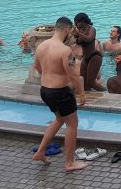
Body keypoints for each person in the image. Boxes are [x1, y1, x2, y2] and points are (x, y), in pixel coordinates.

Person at [31, 16, 88, 172]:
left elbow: (36, 66)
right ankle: (70, 163)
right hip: (60, 92)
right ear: (67, 30)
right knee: (72, 125)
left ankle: (41, 151)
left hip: (45, 91)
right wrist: (82, 93)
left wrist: (49, 75)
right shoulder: (65, 50)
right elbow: (73, 75)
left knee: (58, 119)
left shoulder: (42, 46)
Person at [73, 13, 104, 92]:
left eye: (77, 23)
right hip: (85, 58)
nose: (76, 25)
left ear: (83, 21)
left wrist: (79, 33)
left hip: (95, 57)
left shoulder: (92, 29)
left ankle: (108, 93)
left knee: (91, 83)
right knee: (84, 83)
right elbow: (77, 42)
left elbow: (89, 39)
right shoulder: (80, 31)